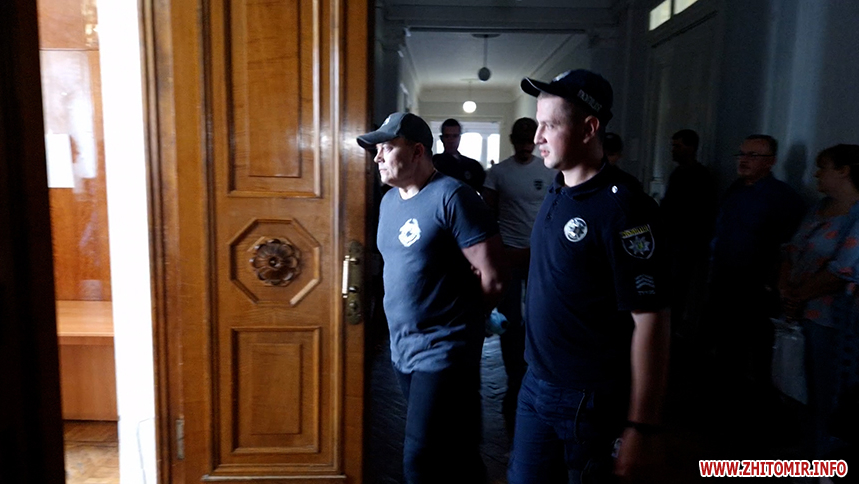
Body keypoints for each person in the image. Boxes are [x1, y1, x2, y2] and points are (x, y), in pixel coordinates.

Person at [507, 69, 670, 484]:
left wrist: (641, 426)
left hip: (585, 398)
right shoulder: (558, 187)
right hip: (535, 381)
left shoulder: (623, 209)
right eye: (537, 124)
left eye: (550, 125)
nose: (537, 137)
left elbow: (651, 319)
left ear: (589, 128)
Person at [357, 112, 506, 484]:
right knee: (456, 448)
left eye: (387, 148)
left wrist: (463, 326)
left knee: (419, 459)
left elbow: (492, 277)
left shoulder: (453, 197)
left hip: (443, 350)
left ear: (417, 151)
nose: (377, 157)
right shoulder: (389, 201)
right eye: (376, 149)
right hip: (403, 348)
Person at [706, 134, 805, 456]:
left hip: (755, 289)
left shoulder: (782, 198)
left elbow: (786, 249)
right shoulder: (736, 190)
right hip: (724, 282)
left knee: (759, 358)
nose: (744, 160)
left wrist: (771, 284)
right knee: (726, 352)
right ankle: (723, 418)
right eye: (742, 153)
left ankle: (758, 427)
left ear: (771, 162)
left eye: (753, 155)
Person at [779, 144, 859, 459]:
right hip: (800, 314)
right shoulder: (818, 208)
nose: (816, 174)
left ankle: (823, 460)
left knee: (827, 393)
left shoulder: (856, 216)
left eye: (823, 167)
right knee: (800, 388)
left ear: (844, 171)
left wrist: (797, 296)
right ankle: (807, 450)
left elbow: (842, 270)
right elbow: (792, 249)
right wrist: (786, 287)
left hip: (831, 320)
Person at [482, 117, 555, 434]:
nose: (526, 145)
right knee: (511, 320)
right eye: (521, 140)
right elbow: (487, 216)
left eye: (529, 140)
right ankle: (514, 377)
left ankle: (536, 375)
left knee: (540, 317)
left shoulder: (550, 171)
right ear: (512, 141)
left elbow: (556, 211)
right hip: (510, 255)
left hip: (539, 257)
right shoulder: (498, 173)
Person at [660, 130, 717, 347]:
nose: (673, 151)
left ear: (691, 147)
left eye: (678, 146)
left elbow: (702, 214)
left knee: (681, 290)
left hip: (687, 244)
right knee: (671, 288)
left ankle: (675, 333)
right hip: (673, 242)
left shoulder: (700, 176)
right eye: (673, 146)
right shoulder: (678, 173)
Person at [432, 118, 486, 192]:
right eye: (447, 136)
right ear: (442, 138)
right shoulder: (433, 164)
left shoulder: (473, 166)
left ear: (459, 138)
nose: (451, 140)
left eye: (455, 136)